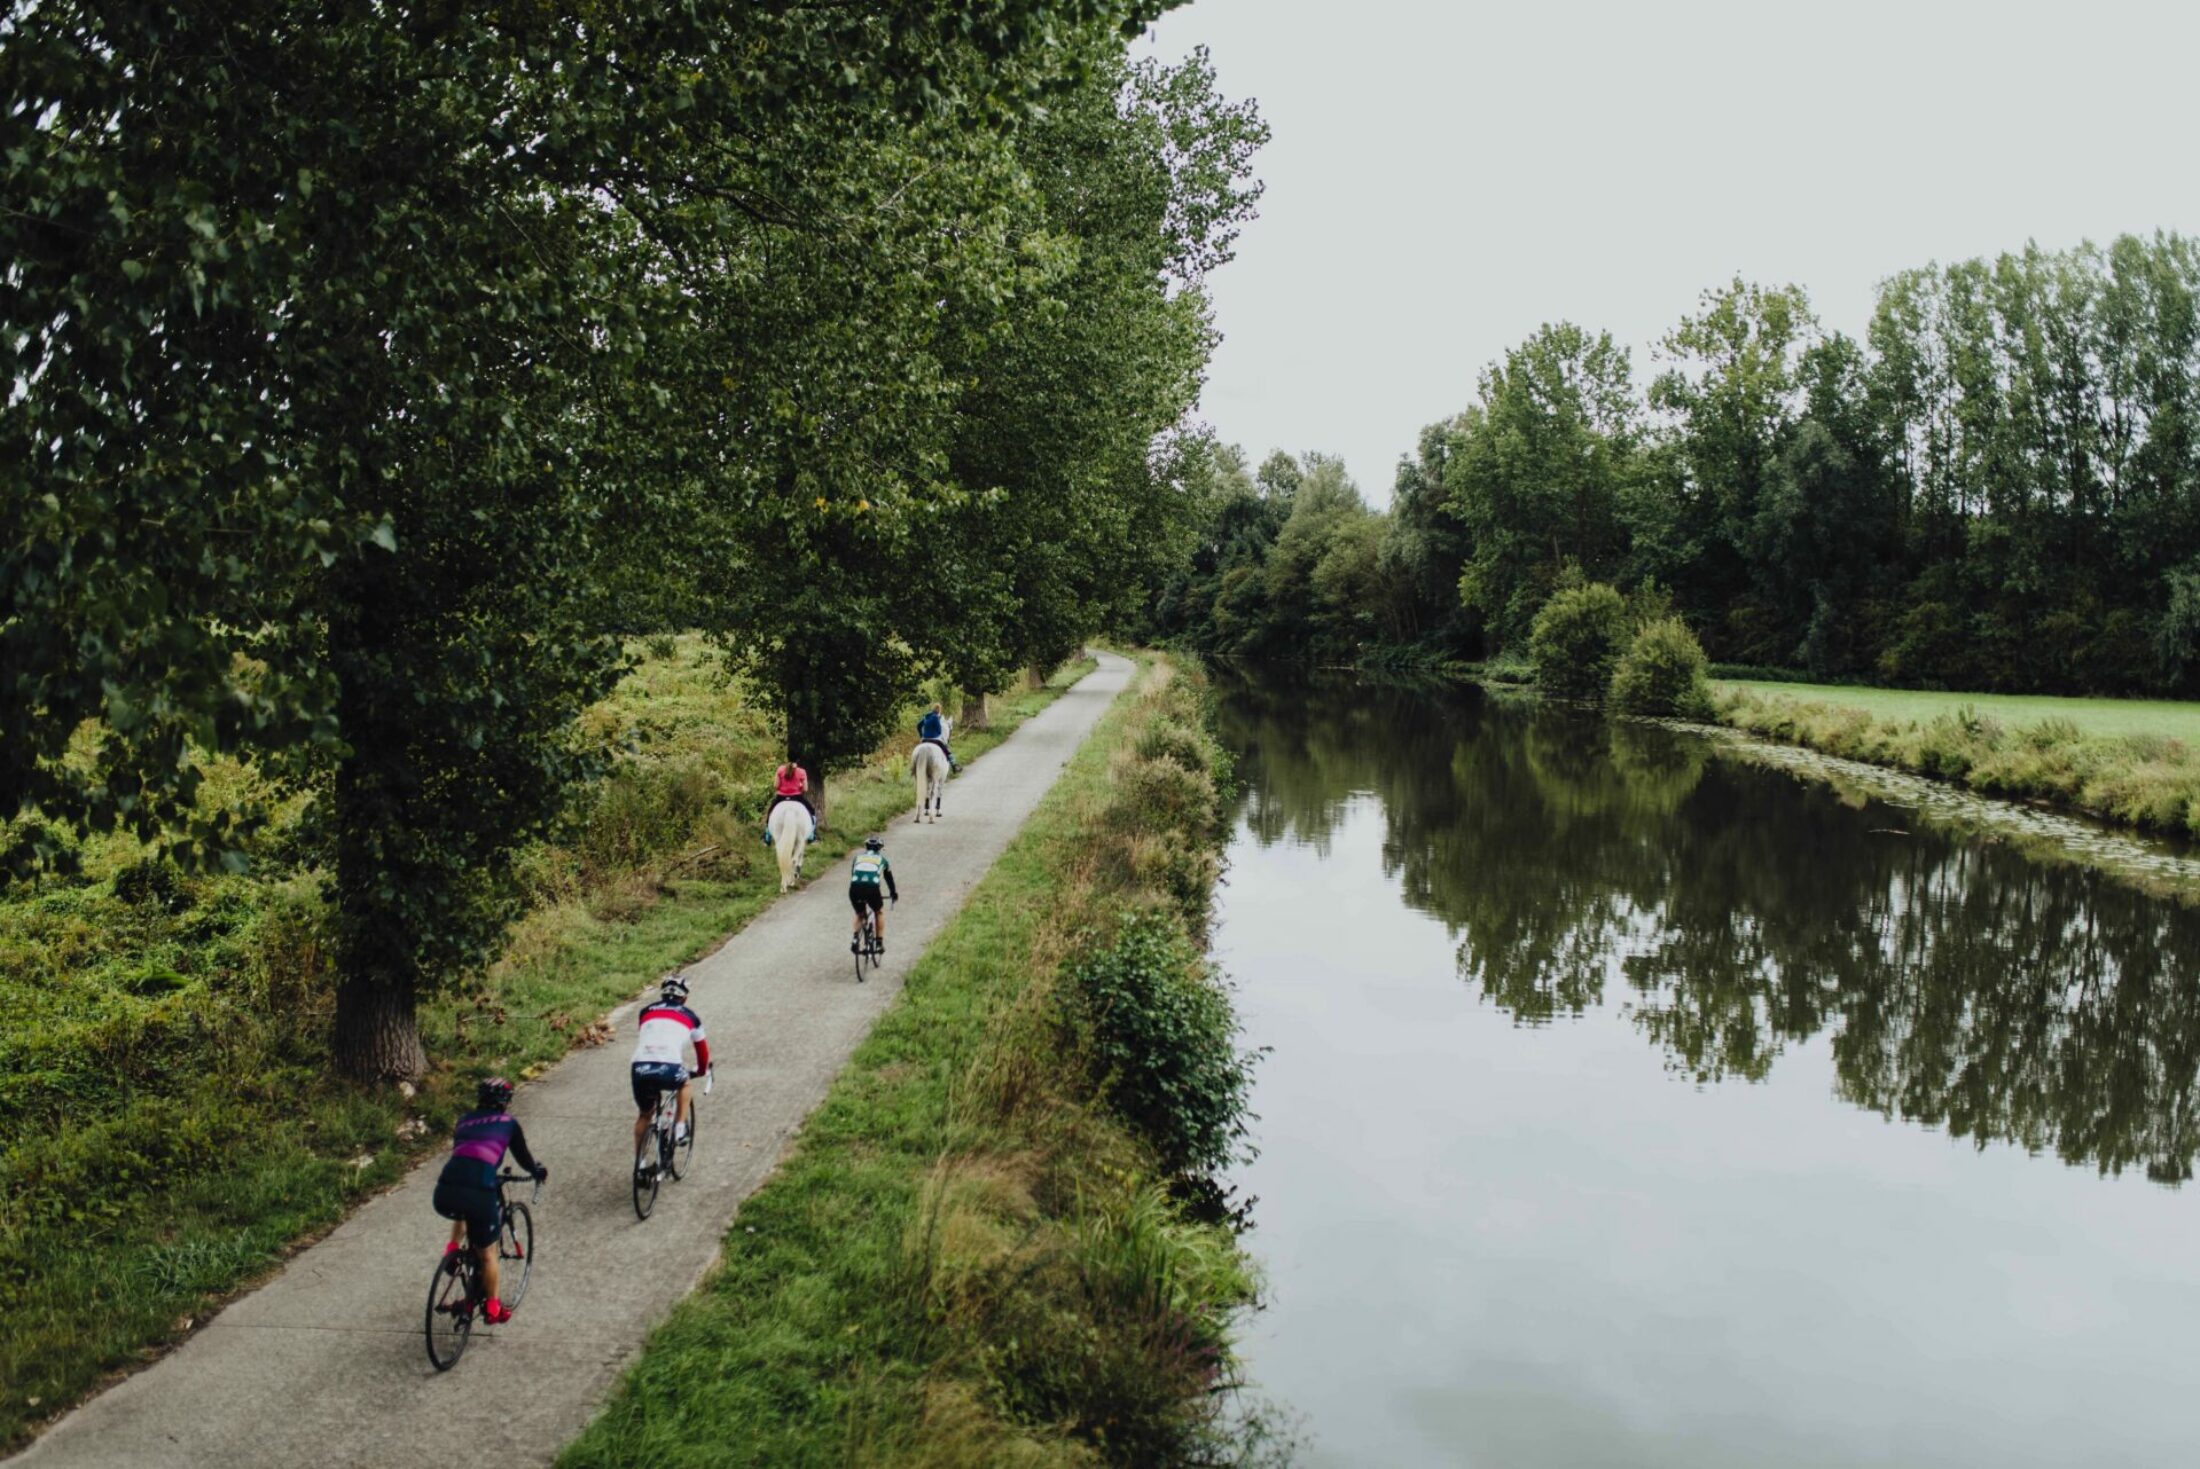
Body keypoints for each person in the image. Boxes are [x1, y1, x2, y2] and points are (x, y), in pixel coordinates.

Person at [432, 1077, 546, 1325]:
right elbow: (524, 1158)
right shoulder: (508, 1123)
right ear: (505, 1102)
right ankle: (493, 1308)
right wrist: (537, 1171)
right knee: (488, 1253)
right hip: (479, 1190)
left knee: (463, 1211)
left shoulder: (463, 1121)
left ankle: (452, 1251)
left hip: (444, 1190)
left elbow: (467, 1155)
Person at [630, 973, 710, 1173]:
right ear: (684, 997)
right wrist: (700, 1070)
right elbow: (702, 1051)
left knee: (645, 1114)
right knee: (684, 1084)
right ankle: (680, 1128)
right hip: (669, 1066)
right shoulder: (691, 1016)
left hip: (640, 1067)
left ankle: (639, 1165)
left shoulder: (645, 1011)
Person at [849, 834, 899, 953]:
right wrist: (893, 893)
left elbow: (854, 874)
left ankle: (855, 939)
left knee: (859, 913)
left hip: (855, 888)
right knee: (879, 911)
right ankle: (879, 943)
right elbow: (889, 880)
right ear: (880, 848)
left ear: (866, 847)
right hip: (872, 888)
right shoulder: (883, 860)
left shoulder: (857, 858)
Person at [763, 759, 817, 845]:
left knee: (770, 814)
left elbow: (776, 786)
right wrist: (798, 786)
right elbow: (805, 789)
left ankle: (767, 838)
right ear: (798, 761)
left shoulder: (780, 769)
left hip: (781, 798)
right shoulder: (802, 771)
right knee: (812, 813)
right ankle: (812, 837)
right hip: (797, 797)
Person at [916, 703, 959, 773]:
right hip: (935, 740)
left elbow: (918, 726)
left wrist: (921, 736)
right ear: (939, 710)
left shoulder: (926, 716)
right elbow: (939, 730)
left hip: (924, 740)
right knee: (947, 751)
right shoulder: (936, 717)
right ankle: (954, 766)